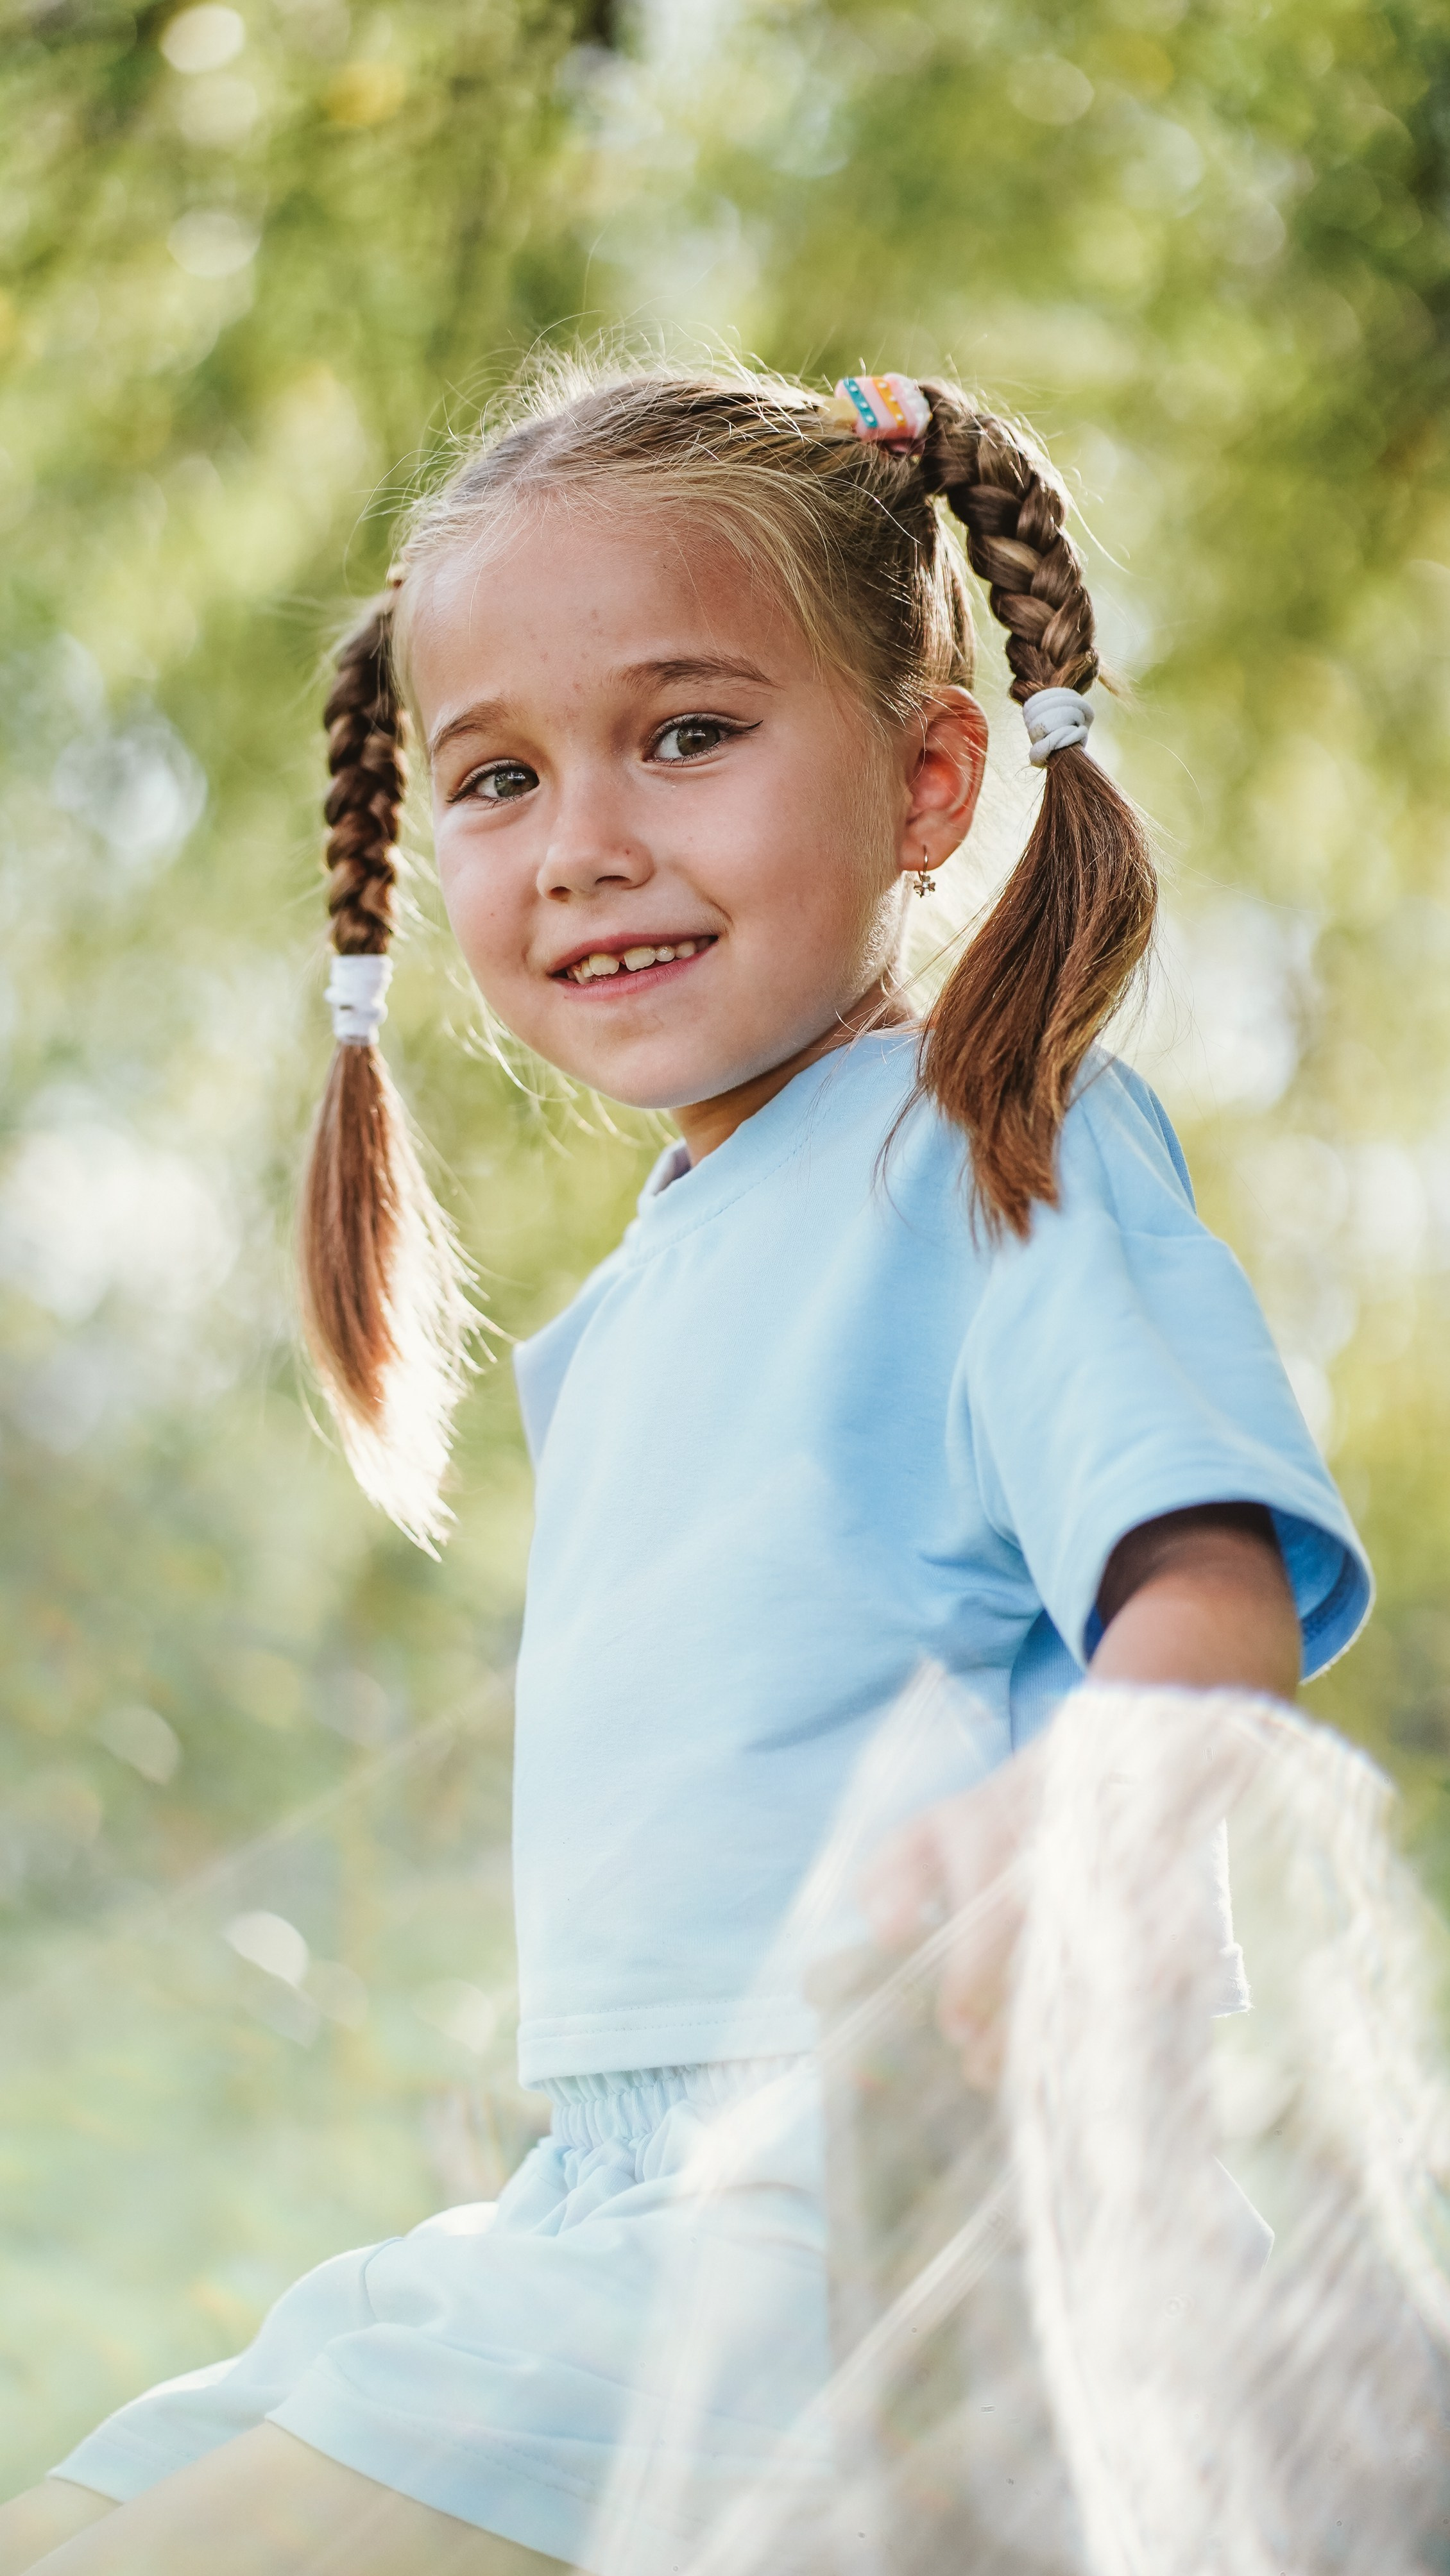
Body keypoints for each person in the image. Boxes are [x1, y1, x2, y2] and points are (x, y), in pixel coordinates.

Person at [0, 360, 1370, 2576]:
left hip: (898, 2218)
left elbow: (1199, 1564)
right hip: (620, 2201)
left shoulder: (980, 1135)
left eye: (691, 735)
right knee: (81, 2516)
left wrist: (1099, 1815)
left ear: (931, 776)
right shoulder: (649, 1287)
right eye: (503, 778)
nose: (589, 841)